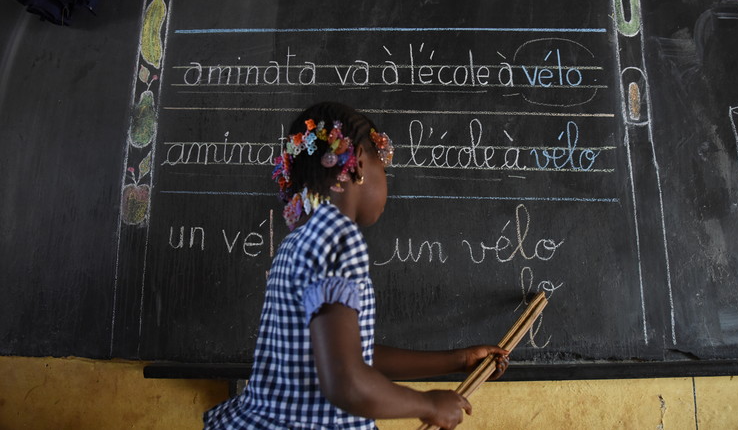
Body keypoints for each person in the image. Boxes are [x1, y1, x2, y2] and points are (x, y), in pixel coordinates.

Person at [204, 102, 509, 429]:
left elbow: (352, 357)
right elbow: (346, 381)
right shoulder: (339, 239)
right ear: (360, 164)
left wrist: (458, 360)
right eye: (384, 168)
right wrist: (427, 403)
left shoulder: (298, 243)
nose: (386, 181)